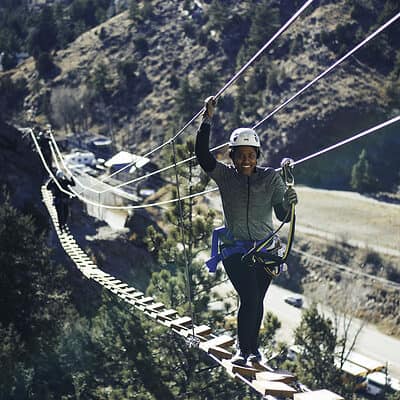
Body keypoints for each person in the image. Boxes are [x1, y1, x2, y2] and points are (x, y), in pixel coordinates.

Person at [195, 96, 298, 366]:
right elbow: (202, 156)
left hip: (266, 251)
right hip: (235, 250)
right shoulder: (225, 176)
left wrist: (289, 201)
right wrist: (207, 119)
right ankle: (244, 350)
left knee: (256, 301)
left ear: (258, 156)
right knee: (250, 297)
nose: (246, 160)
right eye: (240, 155)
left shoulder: (271, 178)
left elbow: (282, 216)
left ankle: (253, 351)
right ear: (232, 156)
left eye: (251, 155)